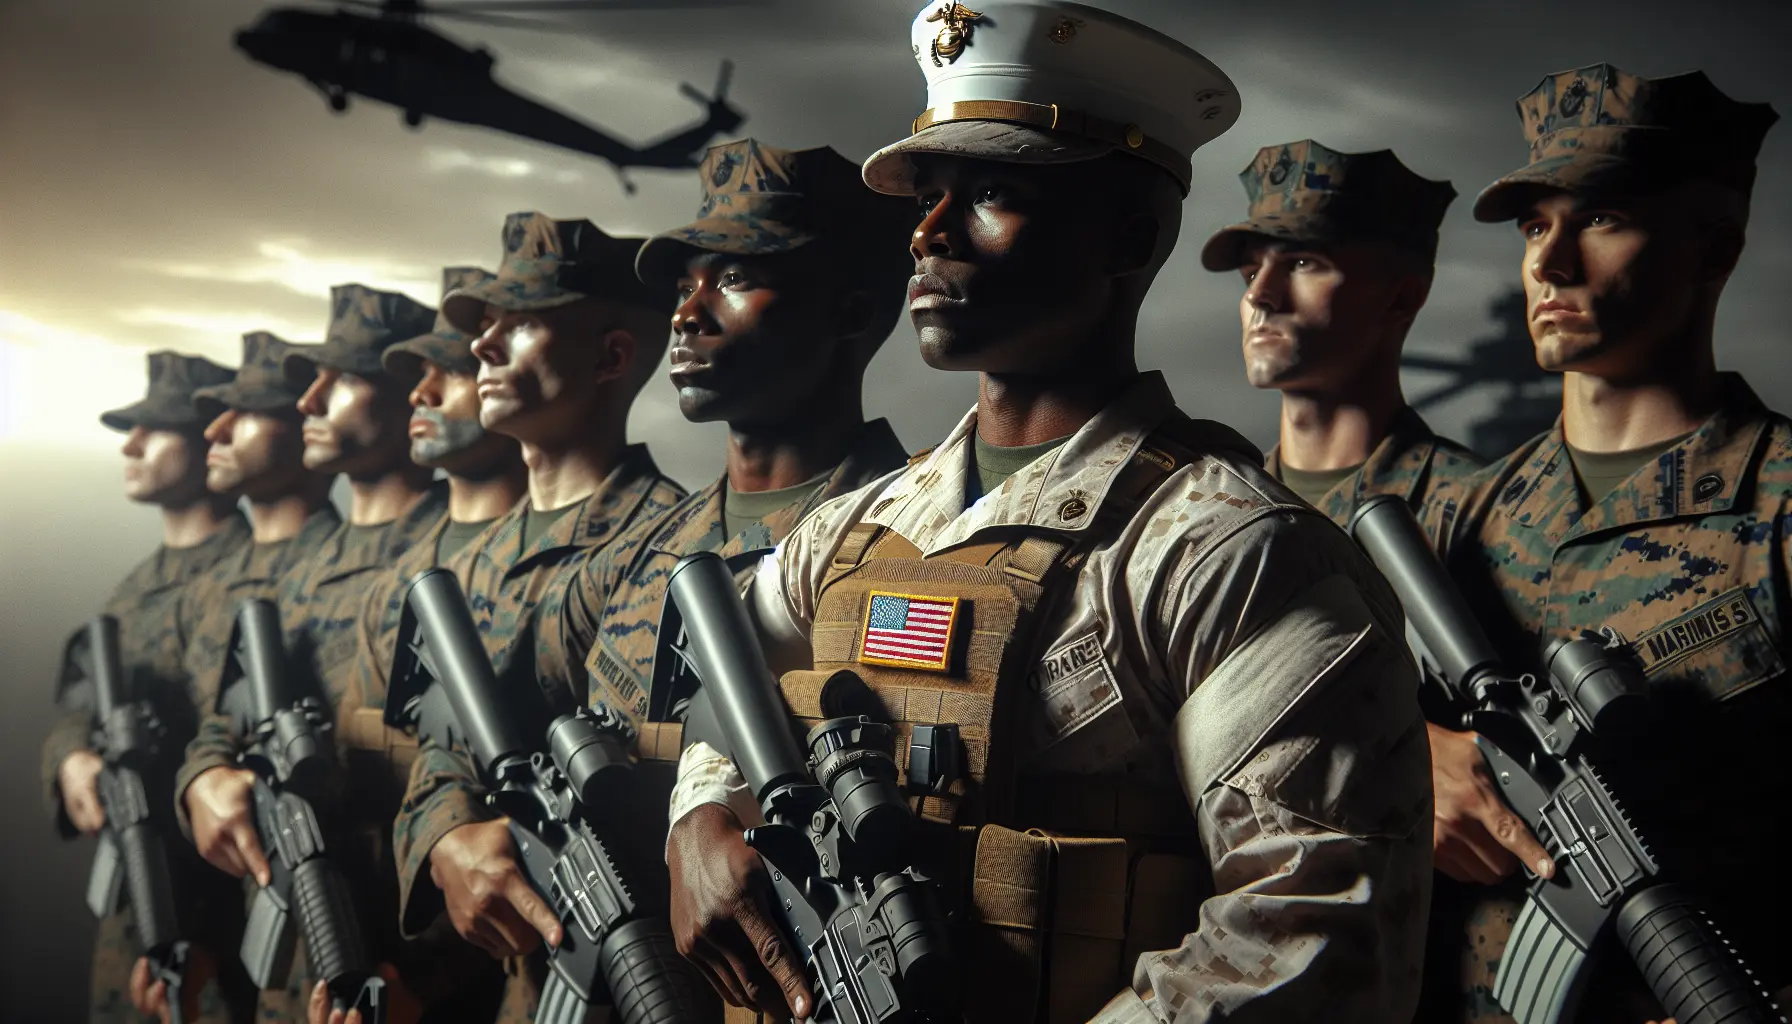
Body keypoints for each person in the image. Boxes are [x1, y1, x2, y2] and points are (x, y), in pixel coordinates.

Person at [665, 5, 1432, 1022]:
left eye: (987, 193)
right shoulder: (850, 531)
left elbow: (1309, 934)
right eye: (928, 196)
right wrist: (701, 816)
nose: (930, 233)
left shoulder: (1228, 550)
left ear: (1130, 234)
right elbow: (722, 698)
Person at [1418, 64, 1789, 1023]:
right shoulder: (1462, 512)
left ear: (1714, 251)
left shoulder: (1782, 500)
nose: (1550, 262)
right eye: (1537, 226)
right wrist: (1415, 756)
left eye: (1604, 218)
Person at [378, 213, 687, 1023]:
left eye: (517, 329)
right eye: (485, 329)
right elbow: (433, 752)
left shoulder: (667, 543)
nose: (480, 348)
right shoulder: (468, 564)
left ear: (612, 357)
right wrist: (446, 835)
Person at [175, 284, 474, 1021]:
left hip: (419, 975)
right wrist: (204, 776)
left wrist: (431, 989)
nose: (306, 402)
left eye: (340, 380)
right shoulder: (294, 561)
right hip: (297, 963)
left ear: (410, 394)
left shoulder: (453, 562)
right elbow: (228, 716)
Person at [129, 331, 339, 1023]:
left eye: (242, 413)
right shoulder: (206, 592)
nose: (214, 429)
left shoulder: (336, 575)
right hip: (224, 905)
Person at [43, 351, 255, 1024]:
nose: (130, 446)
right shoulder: (134, 587)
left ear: (210, 441)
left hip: (218, 919)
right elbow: (82, 698)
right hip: (132, 908)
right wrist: (71, 756)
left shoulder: (255, 580)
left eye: (154, 430)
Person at [1202, 139, 1482, 525]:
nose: (1258, 295)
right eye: (1251, 273)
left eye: (1302, 262)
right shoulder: (1218, 507)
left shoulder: (1481, 511)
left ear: (1401, 298)